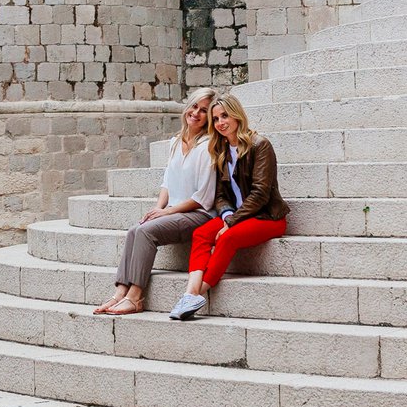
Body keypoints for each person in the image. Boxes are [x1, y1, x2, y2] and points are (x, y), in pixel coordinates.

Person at [94, 88, 219, 315]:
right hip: (174, 211)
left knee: (145, 233)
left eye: (203, 111)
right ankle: (119, 294)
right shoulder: (175, 142)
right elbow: (167, 183)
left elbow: (204, 197)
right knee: (135, 229)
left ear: (209, 117)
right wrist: (158, 208)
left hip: (199, 215)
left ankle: (135, 297)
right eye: (193, 106)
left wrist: (167, 212)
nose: (196, 113)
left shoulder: (208, 147)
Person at [170, 93, 289, 320]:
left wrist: (231, 223)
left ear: (237, 116)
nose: (220, 123)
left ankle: (198, 293)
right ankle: (190, 294)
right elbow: (221, 195)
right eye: (215, 119)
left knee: (227, 238)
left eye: (225, 116)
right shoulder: (221, 149)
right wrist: (226, 215)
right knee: (202, 233)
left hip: (267, 217)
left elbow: (260, 194)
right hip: (235, 216)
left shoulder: (260, 145)